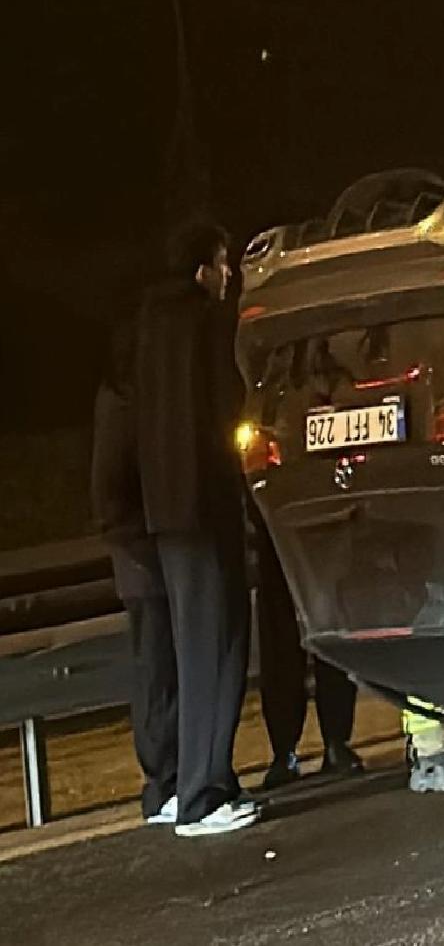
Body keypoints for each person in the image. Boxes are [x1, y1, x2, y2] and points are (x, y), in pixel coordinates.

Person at [133, 220, 258, 837]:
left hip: (164, 512)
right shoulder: (206, 325)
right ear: (201, 271)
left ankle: (186, 782)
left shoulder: (148, 330)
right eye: (222, 262)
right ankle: (205, 795)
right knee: (219, 647)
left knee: (189, 649)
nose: (229, 273)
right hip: (205, 506)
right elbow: (224, 409)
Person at [91, 318, 179, 826]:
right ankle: (161, 781)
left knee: (158, 670)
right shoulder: (124, 405)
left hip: (143, 555)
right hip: (144, 558)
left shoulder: (121, 401)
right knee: (156, 671)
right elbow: (110, 493)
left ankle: (165, 777)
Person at [254, 501, 364, 788]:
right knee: (282, 639)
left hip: (322, 511)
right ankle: (285, 748)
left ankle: (334, 740)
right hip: (275, 514)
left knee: (329, 625)